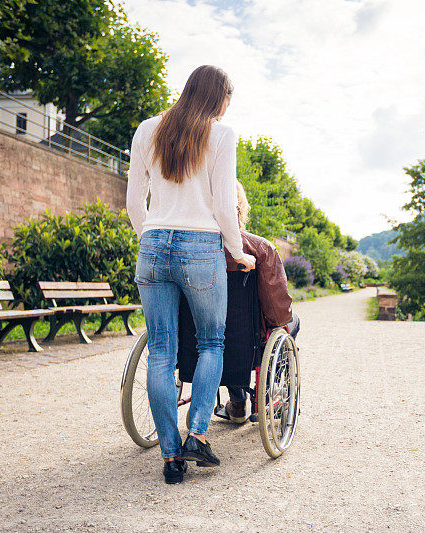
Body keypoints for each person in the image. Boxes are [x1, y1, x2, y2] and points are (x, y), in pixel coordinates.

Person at [126, 65, 256, 485]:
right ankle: (196, 434)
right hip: (201, 246)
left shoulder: (148, 129)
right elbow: (223, 206)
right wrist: (237, 252)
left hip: (153, 243)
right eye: (226, 100)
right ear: (217, 97)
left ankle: (170, 457)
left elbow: (132, 201)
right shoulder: (221, 135)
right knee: (211, 341)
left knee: (162, 352)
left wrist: (152, 235)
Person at [218, 181, 298, 423]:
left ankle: (238, 400)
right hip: (246, 338)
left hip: (200, 336)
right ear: (240, 210)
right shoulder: (260, 247)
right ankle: (267, 393)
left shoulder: (189, 248)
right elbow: (277, 312)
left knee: (223, 334)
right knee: (288, 324)